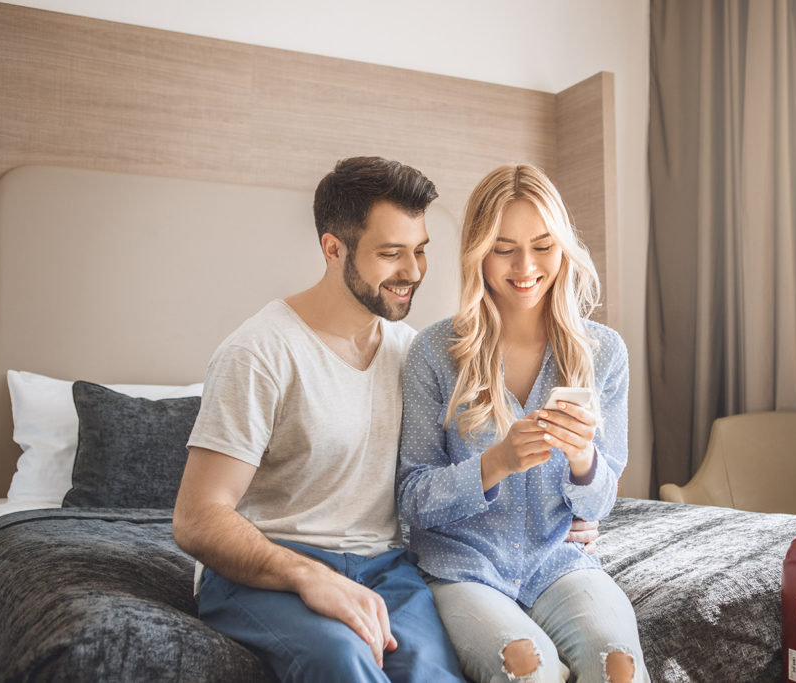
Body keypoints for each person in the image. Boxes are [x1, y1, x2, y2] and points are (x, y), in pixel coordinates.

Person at [171, 157, 463, 682]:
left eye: (420, 251)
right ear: (333, 249)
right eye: (391, 254)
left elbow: (449, 473)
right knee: (341, 658)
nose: (413, 272)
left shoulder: (412, 353)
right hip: (263, 568)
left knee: (433, 672)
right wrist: (307, 575)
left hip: (385, 568)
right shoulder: (259, 352)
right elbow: (197, 518)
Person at [397, 164, 648, 683]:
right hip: (462, 566)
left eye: (543, 244)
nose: (526, 265)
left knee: (618, 666)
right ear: (477, 252)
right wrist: (496, 463)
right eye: (503, 247)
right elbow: (412, 499)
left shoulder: (602, 353)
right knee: (525, 666)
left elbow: (600, 503)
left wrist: (583, 460)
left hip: (560, 562)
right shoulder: (434, 353)